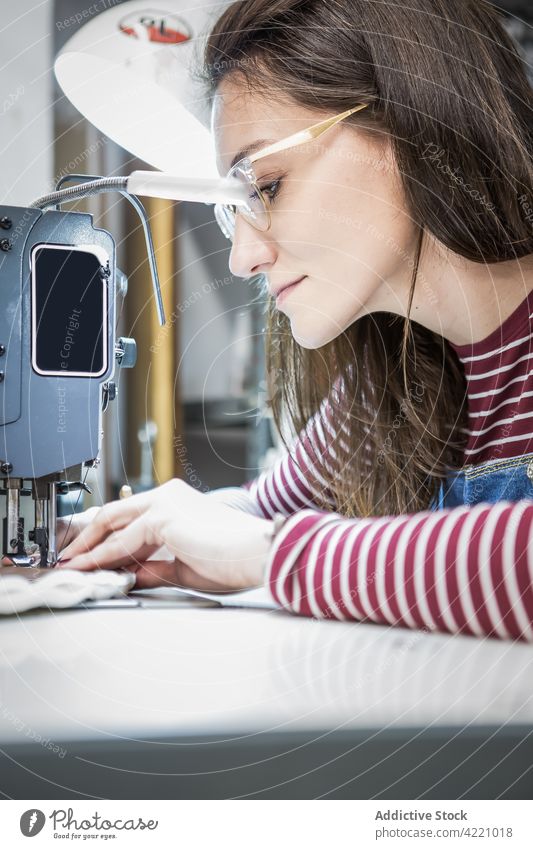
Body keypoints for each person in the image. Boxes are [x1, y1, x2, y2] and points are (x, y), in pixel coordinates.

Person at [58, 0, 533, 642]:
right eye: (236, 207)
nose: (244, 257)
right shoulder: (395, 382)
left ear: (410, 118)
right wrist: (102, 536)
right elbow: (257, 510)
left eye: (267, 186)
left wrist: (270, 555)